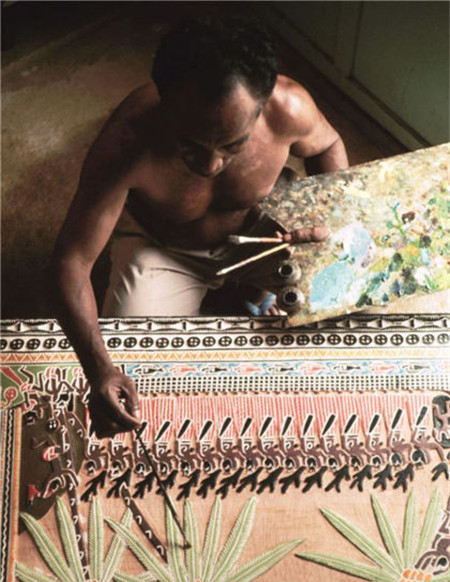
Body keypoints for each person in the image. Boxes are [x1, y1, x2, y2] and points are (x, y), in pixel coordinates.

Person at [52, 15, 349, 438]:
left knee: (349, 293)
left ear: (263, 106)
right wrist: (99, 370)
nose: (210, 165)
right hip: (164, 247)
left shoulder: (290, 108)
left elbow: (329, 145)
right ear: (164, 102)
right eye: (189, 143)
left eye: (233, 145)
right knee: (134, 378)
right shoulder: (128, 139)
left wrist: (327, 221)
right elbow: (71, 261)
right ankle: (247, 296)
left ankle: (254, 294)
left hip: (263, 231)